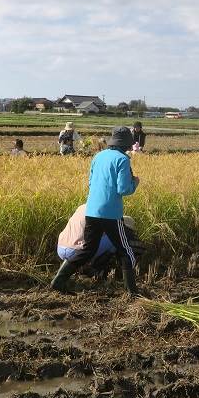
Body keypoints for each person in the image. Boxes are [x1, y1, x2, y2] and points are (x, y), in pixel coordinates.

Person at [50, 126, 140, 295]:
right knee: (125, 250)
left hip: (91, 211)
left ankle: (58, 281)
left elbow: (90, 183)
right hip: (111, 214)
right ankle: (132, 292)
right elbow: (123, 189)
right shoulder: (123, 159)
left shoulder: (98, 156)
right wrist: (135, 183)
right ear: (126, 143)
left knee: (87, 250)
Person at [55, 204, 144, 280]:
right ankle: (95, 267)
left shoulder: (82, 207)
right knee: (116, 241)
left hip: (61, 248)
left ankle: (81, 267)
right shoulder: (104, 212)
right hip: (76, 251)